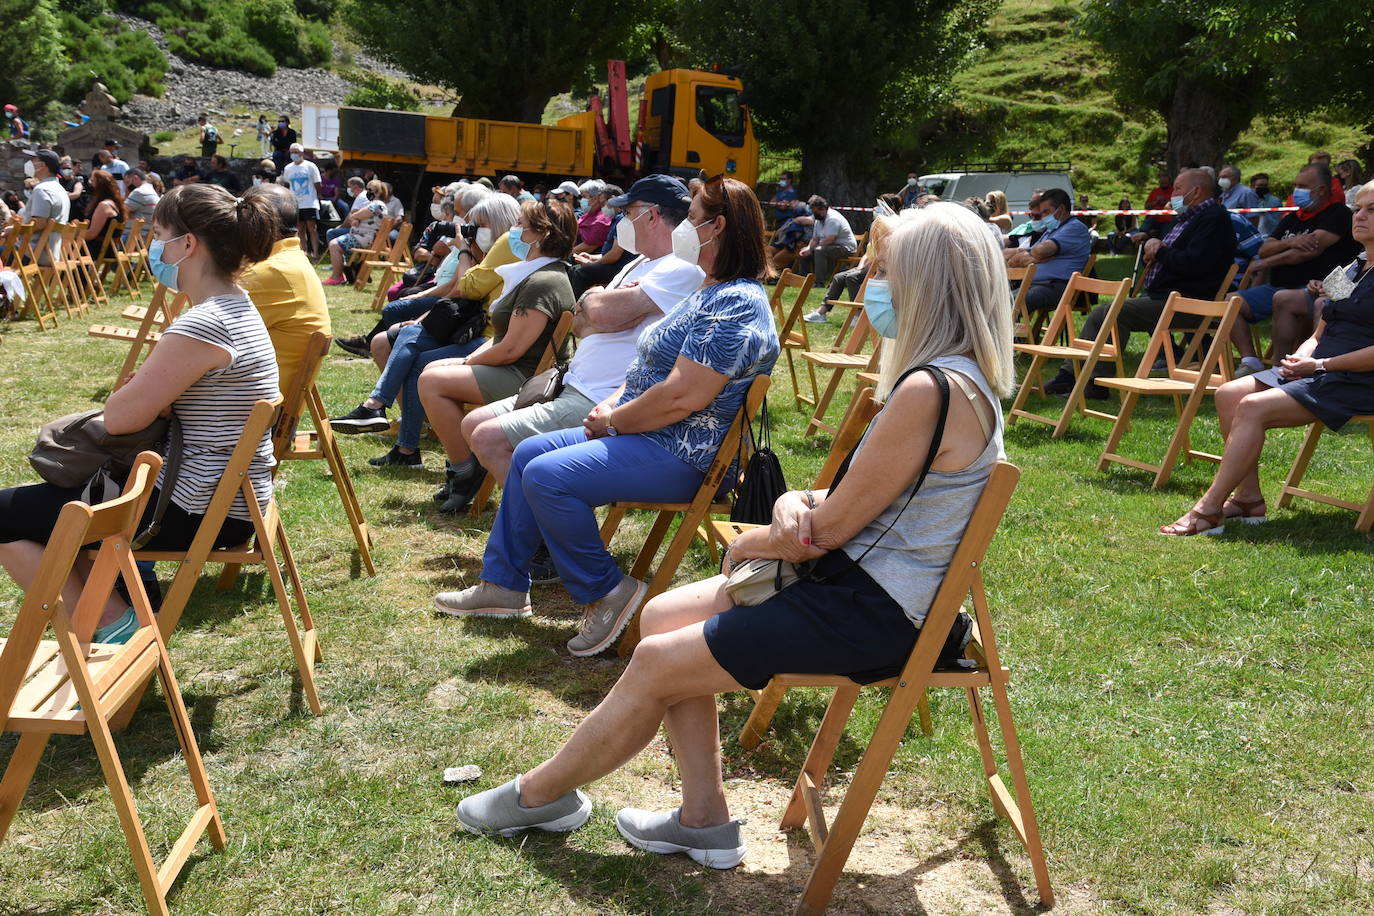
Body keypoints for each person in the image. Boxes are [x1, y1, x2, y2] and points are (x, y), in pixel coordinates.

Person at [452, 200, 1013, 863]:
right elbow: (866, 501)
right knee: (659, 616)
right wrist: (798, 505)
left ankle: (539, 795)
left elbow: (820, 533)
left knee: (659, 659)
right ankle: (703, 819)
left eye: (883, 273)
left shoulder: (928, 389)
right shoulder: (965, 383)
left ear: (928, 285)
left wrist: (757, 537)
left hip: (871, 611)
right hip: (870, 592)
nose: (870, 288)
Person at [433, 176, 780, 660]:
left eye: (694, 217)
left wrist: (617, 421)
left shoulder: (736, 303)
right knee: (530, 451)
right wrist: (613, 402)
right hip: (651, 434)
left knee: (549, 477)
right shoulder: (711, 289)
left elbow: (683, 397)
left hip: (682, 454)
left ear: (717, 228)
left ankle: (607, 591)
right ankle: (504, 584)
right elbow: (651, 366)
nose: (685, 226)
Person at [0, 184, 280, 644]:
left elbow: (118, 420)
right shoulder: (237, 307)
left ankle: (113, 623)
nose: (155, 246)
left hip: (193, 508)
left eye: (160, 234)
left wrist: (136, 396)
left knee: (6, 516)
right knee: (39, 505)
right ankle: (125, 600)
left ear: (187, 244)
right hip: (231, 501)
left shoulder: (205, 323)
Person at [439, 175, 705, 519]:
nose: (620, 220)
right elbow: (582, 318)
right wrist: (599, 306)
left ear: (651, 215)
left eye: (628, 212)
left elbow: (602, 313)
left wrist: (600, 308)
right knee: (473, 424)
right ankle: (539, 525)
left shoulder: (681, 267)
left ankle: (544, 537)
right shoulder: (639, 263)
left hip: (602, 397)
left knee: (488, 436)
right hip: (574, 384)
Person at [1161, 186, 1374, 536]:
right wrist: (1304, 352)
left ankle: (1208, 509)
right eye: (1358, 208)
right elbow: (1322, 329)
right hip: (1319, 369)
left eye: (1372, 209)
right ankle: (1248, 499)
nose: (1360, 216)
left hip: (1358, 378)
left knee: (1253, 407)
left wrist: (1319, 366)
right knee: (1228, 394)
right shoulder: (1352, 267)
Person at [328, 195, 523, 463]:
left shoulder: (507, 245)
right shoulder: (493, 248)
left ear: (498, 222)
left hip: (484, 337)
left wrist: (463, 249)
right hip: (466, 326)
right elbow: (463, 288)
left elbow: (464, 288)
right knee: (393, 337)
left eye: (480, 225)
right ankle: (387, 422)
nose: (473, 230)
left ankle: (384, 419)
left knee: (413, 353)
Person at [1043, 169, 1236, 398]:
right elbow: (1171, 255)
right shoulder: (1190, 218)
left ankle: (1093, 382)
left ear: (1196, 192)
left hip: (1188, 303)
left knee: (1111, 314)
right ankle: (1074, 376)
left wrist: (1160, 251)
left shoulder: (1213, 219)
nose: (1172, 194)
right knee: (1105, 312)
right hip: (1166, 297)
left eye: (1178, 189)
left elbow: (1194, 264)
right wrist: (1153, 251)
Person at [1231, 163, 1360, 374]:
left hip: (1311, 287)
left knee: (1287, 298)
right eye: (1296, 185)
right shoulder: (1292, 218)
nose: (1296, 191)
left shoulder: (1338, 214)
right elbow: (1264, 249)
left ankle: (1285, 368)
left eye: (1302, 186)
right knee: (1232, 302)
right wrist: (1292, 241)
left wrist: (1268, 262)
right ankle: (1251, 361)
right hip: (1279, 286)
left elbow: (1309, 251)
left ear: (1321, 190)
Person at [237, 183, 332, 386]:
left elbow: (201, 338)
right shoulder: (289, 259)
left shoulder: (268, 272)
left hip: (247, 406)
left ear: (256, 222)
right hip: (262, 397)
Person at [1005, 187, 1092, 316]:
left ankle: (1015, 335)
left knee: (1007, 306)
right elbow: (1035, 253)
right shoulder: (1052, 230)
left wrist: (1033, 255)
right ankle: (1016, 335)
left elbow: (1041, 251)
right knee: (1000, 302)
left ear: (1061, 209)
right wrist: (1035, 256)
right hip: (1038, 285)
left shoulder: (1075, 228)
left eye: (1046, 212)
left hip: (1057, 287)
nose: (1043, 217)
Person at [804, 212, 896, 324]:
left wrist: (870, 267)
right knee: (838, 277)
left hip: (878, 270)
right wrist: (860, 266)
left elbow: (883, 259)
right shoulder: (876, 237)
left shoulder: (889, 238)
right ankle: (821, 312)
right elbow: (867, 254)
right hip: (866, 267)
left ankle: (857, 315)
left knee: (851, 278)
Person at [322, 179, 393, 285]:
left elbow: (355, 215)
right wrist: (356, 218)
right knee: (337, 245)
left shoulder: (377, 205)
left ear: (378, 192)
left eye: (370, 190)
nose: (367, 192)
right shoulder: (375, 204)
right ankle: (347, 275)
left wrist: (356, 217)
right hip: (363, 236)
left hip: (364, 238)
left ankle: (336, 277)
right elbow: (359, 216)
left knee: (334, 245)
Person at [21, 149, 68, 267]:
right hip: (52, 252)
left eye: (33, 160)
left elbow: (40, 224)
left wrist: (16, 230)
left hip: (33, 252)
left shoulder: (42, 189)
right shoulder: (59, 189)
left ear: (42, 165)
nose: (29, 164)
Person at [796, 195, 858, 284]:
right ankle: (801, 281)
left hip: (846, 248)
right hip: (829, 246)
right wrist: (809, 248)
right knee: (804, 252)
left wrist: (812, 249)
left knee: (819, 251)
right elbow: (814, 239)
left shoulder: (833, 219)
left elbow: (830, 240)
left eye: (814, 210)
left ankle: (819, 282)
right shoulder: (818, 219)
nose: (813, 213)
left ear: (821, 208)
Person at [281, 143, 324, 258]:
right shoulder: (288, 168)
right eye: (292, 152)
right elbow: (286, 183)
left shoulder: (310, 166)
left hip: (309, 202)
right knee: (300, 229)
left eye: (296, 152)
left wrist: (319, 195)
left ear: (302, 153)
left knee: (312, 228)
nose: (294, 154)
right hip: (296, 203)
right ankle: (303, 253)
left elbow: (317, 182)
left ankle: (315, 253)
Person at [80, 169, 127, 245]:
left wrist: (72, 235)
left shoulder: (104, 206)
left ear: (100, 185)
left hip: (96, 250)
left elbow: (92, 234)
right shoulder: (114, 203)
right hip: (107, 248)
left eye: (92, 181)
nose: (90, 184)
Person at [572, 180, 613, 255]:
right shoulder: (590, 213)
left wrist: (565, 254)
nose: (582, 200)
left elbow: (588, 246)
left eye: (584, 196)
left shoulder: (602, 219)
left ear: (596, 197)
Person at [1249, 173, 1284, 239]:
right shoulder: (1248, 201)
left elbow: (1277, 223)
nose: (1263, 187)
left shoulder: (1275, 201)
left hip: (1269, 236)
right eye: (1260, 185)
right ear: (1252, 187)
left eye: (1265, 185)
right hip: (1252, 237)